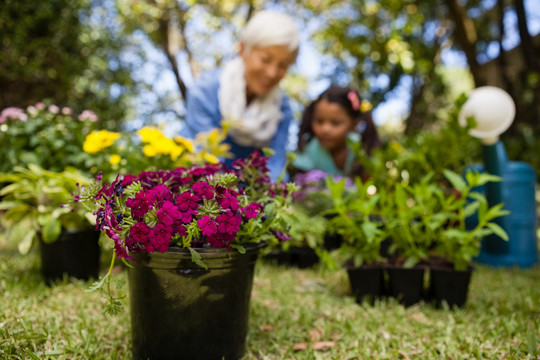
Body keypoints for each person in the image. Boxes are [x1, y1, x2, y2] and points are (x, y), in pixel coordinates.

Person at [181, 10, 300, 181]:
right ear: (243, 50)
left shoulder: (282, 108)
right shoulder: (206, 91)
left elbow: (275, 166)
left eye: (283, 65)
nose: (272, 73)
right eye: (266, 59)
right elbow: (205, 162)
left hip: (253, 200)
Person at [292, 85, 380, 179]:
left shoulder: (362, 150)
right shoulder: (310, 149)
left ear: (354, 125)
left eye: (336, 123)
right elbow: (305, 185)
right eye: (319, 121)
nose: (325, 129)